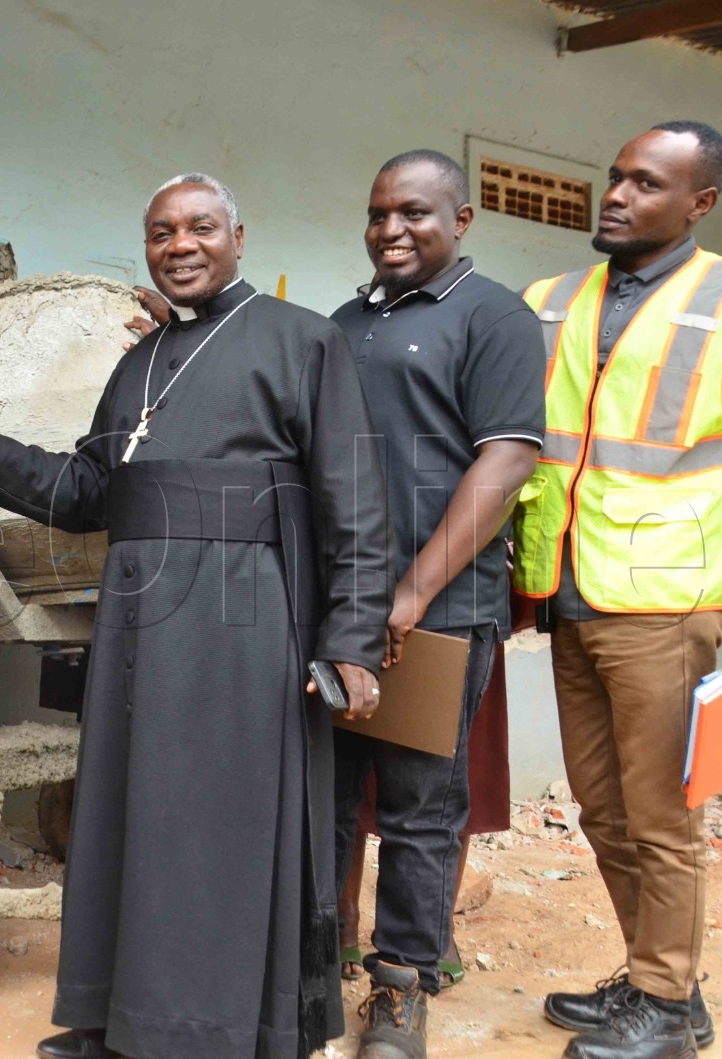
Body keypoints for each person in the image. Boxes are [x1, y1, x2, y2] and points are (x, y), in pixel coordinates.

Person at [0, 173, 392, 1059]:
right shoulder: (136, 362)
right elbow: (89, 492)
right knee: (129, 816)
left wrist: (351, 639)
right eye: (161, 232)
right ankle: (125, 1023)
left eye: (199, 228)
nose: (179, 245)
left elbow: (356, 501)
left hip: (241, 623)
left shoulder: (302, 339)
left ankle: (217, 1032)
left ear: (238, 236)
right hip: (140, 619)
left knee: (214, 827)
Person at [513, 121, 722, 1059]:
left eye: (647, 182)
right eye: (615, 176)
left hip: (672, 603)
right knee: (603, 808)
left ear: (700, 203)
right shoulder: (552, 299)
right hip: (567, 590)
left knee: (665, 818)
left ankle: (669, 1009)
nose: (619, 194)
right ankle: (656, 981)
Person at [329, 150, 544, 1059]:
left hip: (440, 609)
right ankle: (313, 964)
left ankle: (403, 987)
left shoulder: (492, 316)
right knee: (328, 794)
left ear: (461, 220)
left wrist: (413, 591)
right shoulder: (345, 322)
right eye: (379, 213)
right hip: (339, 605)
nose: (391, 229)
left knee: (418, 804)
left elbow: (506, 461)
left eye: (414, 212)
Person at [337, 639, 513, 985]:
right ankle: (342, 917)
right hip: (355, 603)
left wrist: (413, 601)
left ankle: (436, 927)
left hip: (456, 605)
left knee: (451, 749)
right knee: (343, 751)